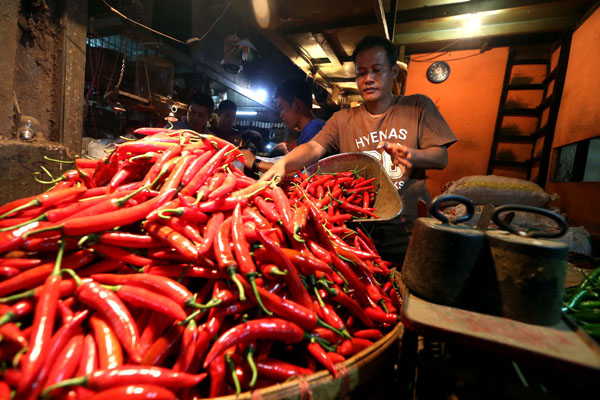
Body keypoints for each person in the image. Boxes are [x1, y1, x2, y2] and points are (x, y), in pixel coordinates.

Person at [260, 35, 457, 263]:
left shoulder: (418, 106)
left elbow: (441, 157)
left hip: (407, 234)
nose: (368, 79)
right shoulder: (342, 119)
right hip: (356, 233)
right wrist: (284, 163)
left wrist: (413, 156)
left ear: (393, 72)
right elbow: (314, 147)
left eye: (377, 70)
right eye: (361, 72)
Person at [242, 78, 326, 174]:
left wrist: (255, 163)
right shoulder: (309, 129)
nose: (281, 114)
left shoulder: (314, 128)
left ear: (295, 104)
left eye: (282, 108)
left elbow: (299, 173)